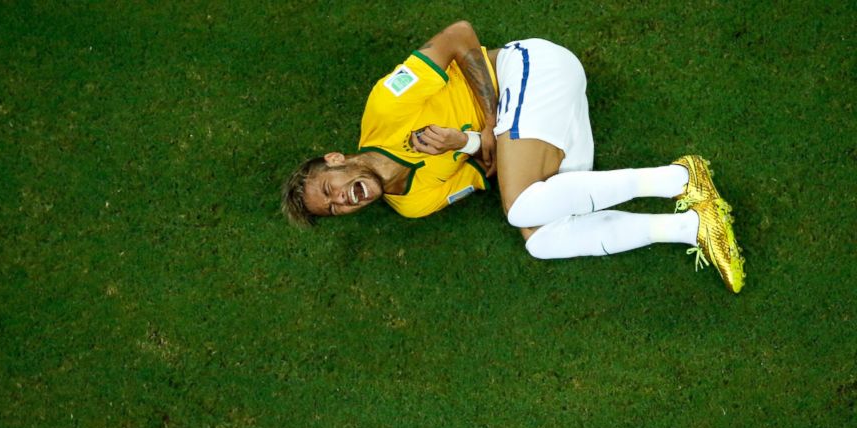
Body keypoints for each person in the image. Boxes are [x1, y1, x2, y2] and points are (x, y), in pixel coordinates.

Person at [281, 21, 745, 292]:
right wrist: (466, 145)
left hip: (533, 70)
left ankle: (681, 179)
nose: (344, 201)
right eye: (337, 209)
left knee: (520, 207)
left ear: (337, 159)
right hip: (549, 122)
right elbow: (493, 170)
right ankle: (693, 227)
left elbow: (459, 35)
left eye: (330, 189)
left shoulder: (387, 104)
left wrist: (485, 125)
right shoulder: (412, 204)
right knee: (540, 237)